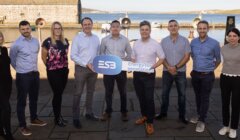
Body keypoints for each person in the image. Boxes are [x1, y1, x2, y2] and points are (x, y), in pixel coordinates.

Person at [10, 20, 47, 136]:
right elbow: (13, 60)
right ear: (20, 30)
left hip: (35, 74)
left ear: (30, 28)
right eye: (23, 29)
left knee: (34, 98)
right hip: (23, 75)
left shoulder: (36, 41)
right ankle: (22, 125)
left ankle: (34, 118)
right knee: (21, 101)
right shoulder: (16, 44)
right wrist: (21, 70)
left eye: (27, 28)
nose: (26, 31)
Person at [132, 21, 165, 135]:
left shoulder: (155, 44)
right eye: (142, 29)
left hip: (149, 74)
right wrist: (131, 64)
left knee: (149, 98)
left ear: (150, 31)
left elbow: (162, 58)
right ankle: (144, 116)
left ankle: (150, 122)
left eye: (146, 29)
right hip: (137, 74)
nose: (144, 31)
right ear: (140, 31)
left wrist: (153, 66)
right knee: (141, 97)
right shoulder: (136, 43)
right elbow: (133, 57)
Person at [155, 20, 190, 124]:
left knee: (182, 95)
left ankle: (182, 116)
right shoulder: (163, 41)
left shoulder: (185, 40)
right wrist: (168, 67)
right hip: (167, 72)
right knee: (165, 94)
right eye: (171, 26)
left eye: (175, 25)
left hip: (181, 72)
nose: (173, 27)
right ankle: (163, 113)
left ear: (178, 27)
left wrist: (175, 67)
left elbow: (187, 57)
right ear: (168, 28)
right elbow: (161, 56)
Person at [190, 20, 221, 132]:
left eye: (204, 28)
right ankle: (199, 114)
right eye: (200, 28)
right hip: (195, 74)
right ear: (197, 29)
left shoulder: (214, 43)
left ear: (208, 29)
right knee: (197, 96)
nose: (202, 30)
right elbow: (193, 56)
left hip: (207, 75)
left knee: (205, 97)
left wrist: (210, 69)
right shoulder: (193, 42)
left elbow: (218, 60)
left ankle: (202, 120)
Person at [71, 17, 100, 129]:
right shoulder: (77, 38)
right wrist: (86, 64)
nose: (87, 26)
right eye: (85, 24)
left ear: (92, 25)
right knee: (78, 93)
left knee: (90, 92)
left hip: (93, 69)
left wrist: (97, 65)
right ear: (82, 26)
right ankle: (76, 118)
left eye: (89, 24)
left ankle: (89, 113)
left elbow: (98, 53)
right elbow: (73, 56)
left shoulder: (96, 38)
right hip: (81, 69)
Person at [100, 20, 132, 121]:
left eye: (117, 26)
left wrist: (124, 63)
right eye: (113, 26)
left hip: (121, 69)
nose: (115, 28)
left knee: (122, 91)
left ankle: (124, 112)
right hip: (108, 69)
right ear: (110, 28)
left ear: (120, 28)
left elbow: (130, 54)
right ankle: (108, 111)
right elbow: (101, 54)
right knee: (108, 92)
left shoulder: (125, 40)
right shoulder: (104, 40)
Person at [41, 21, 69, 127]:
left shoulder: (65, 41)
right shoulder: (47, 42)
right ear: (52, 30)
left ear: (61, 29)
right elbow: (43, 57)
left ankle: (59, 116)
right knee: (57, 94)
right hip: (53, 72)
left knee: (59, 94)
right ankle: (57, 119)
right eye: (55, 28)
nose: (57, 30)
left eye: (59, 28)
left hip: (64, 71)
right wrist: (49, 67)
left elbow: (65, 56)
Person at [218, 28, 240, 139]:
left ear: (238, 37)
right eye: (230, 36)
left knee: (236, 105)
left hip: (238, 79)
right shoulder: (223, 48)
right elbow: (221, 62)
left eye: (234, 36)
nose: (232, 38)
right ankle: (225, 126)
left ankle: (233, 128)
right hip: (224, 78)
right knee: (225, 103)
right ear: (227, 37)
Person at [0, 31, 14, 140]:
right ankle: (7, 133)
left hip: (7, 84)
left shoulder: (4, 50)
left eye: (0, 36)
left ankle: (1, 129)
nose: (0, 38)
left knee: (2, 108)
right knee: (7, 108)